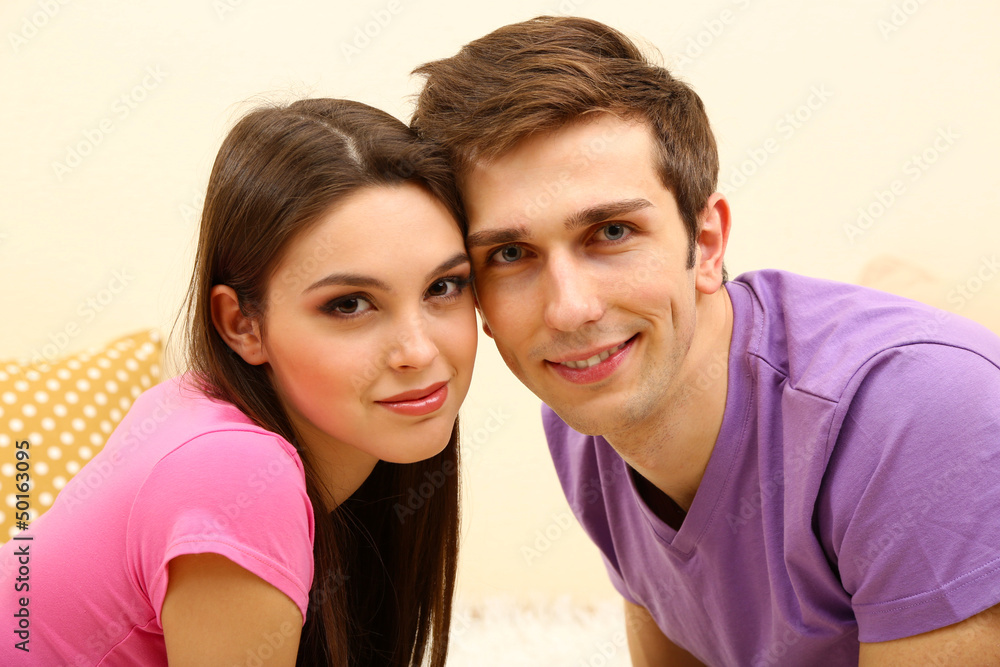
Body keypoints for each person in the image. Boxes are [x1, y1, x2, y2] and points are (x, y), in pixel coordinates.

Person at [410, 16, 1000, 666]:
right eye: (511, 252)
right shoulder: (588, 418)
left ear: (708, 242)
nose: (570, 309)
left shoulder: (917, 414)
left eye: (611, 232)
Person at [0, 98, 477, 666]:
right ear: (241, 325)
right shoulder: (233, 472)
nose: (418, 350)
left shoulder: (207, 414)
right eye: (350, 304)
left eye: (443, 288)